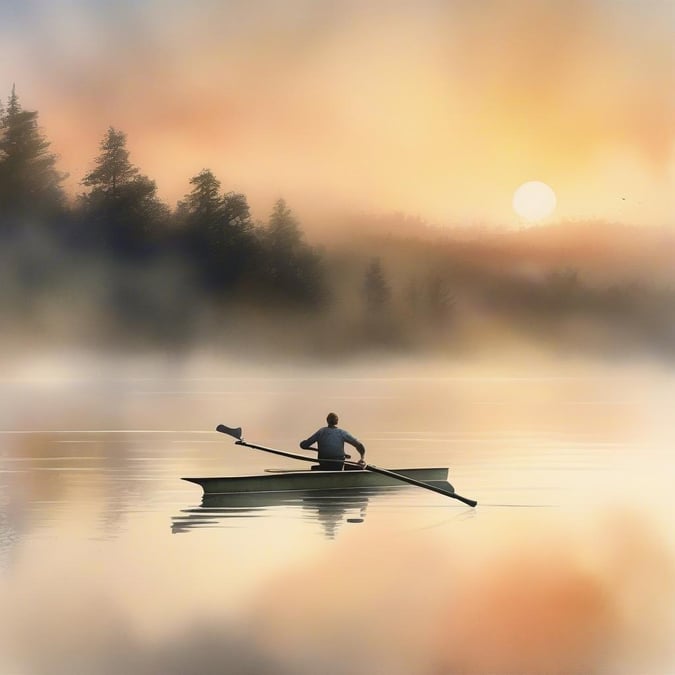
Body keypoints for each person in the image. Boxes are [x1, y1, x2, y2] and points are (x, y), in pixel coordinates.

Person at [300, 412, 366, 471]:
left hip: (324, 464)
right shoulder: (342, 433)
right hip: (338, 465)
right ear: (337, 421)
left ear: (327, 421)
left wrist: (303, 443)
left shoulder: (321, 432)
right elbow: (359, 445)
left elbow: (304, 445)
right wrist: (362, 458)